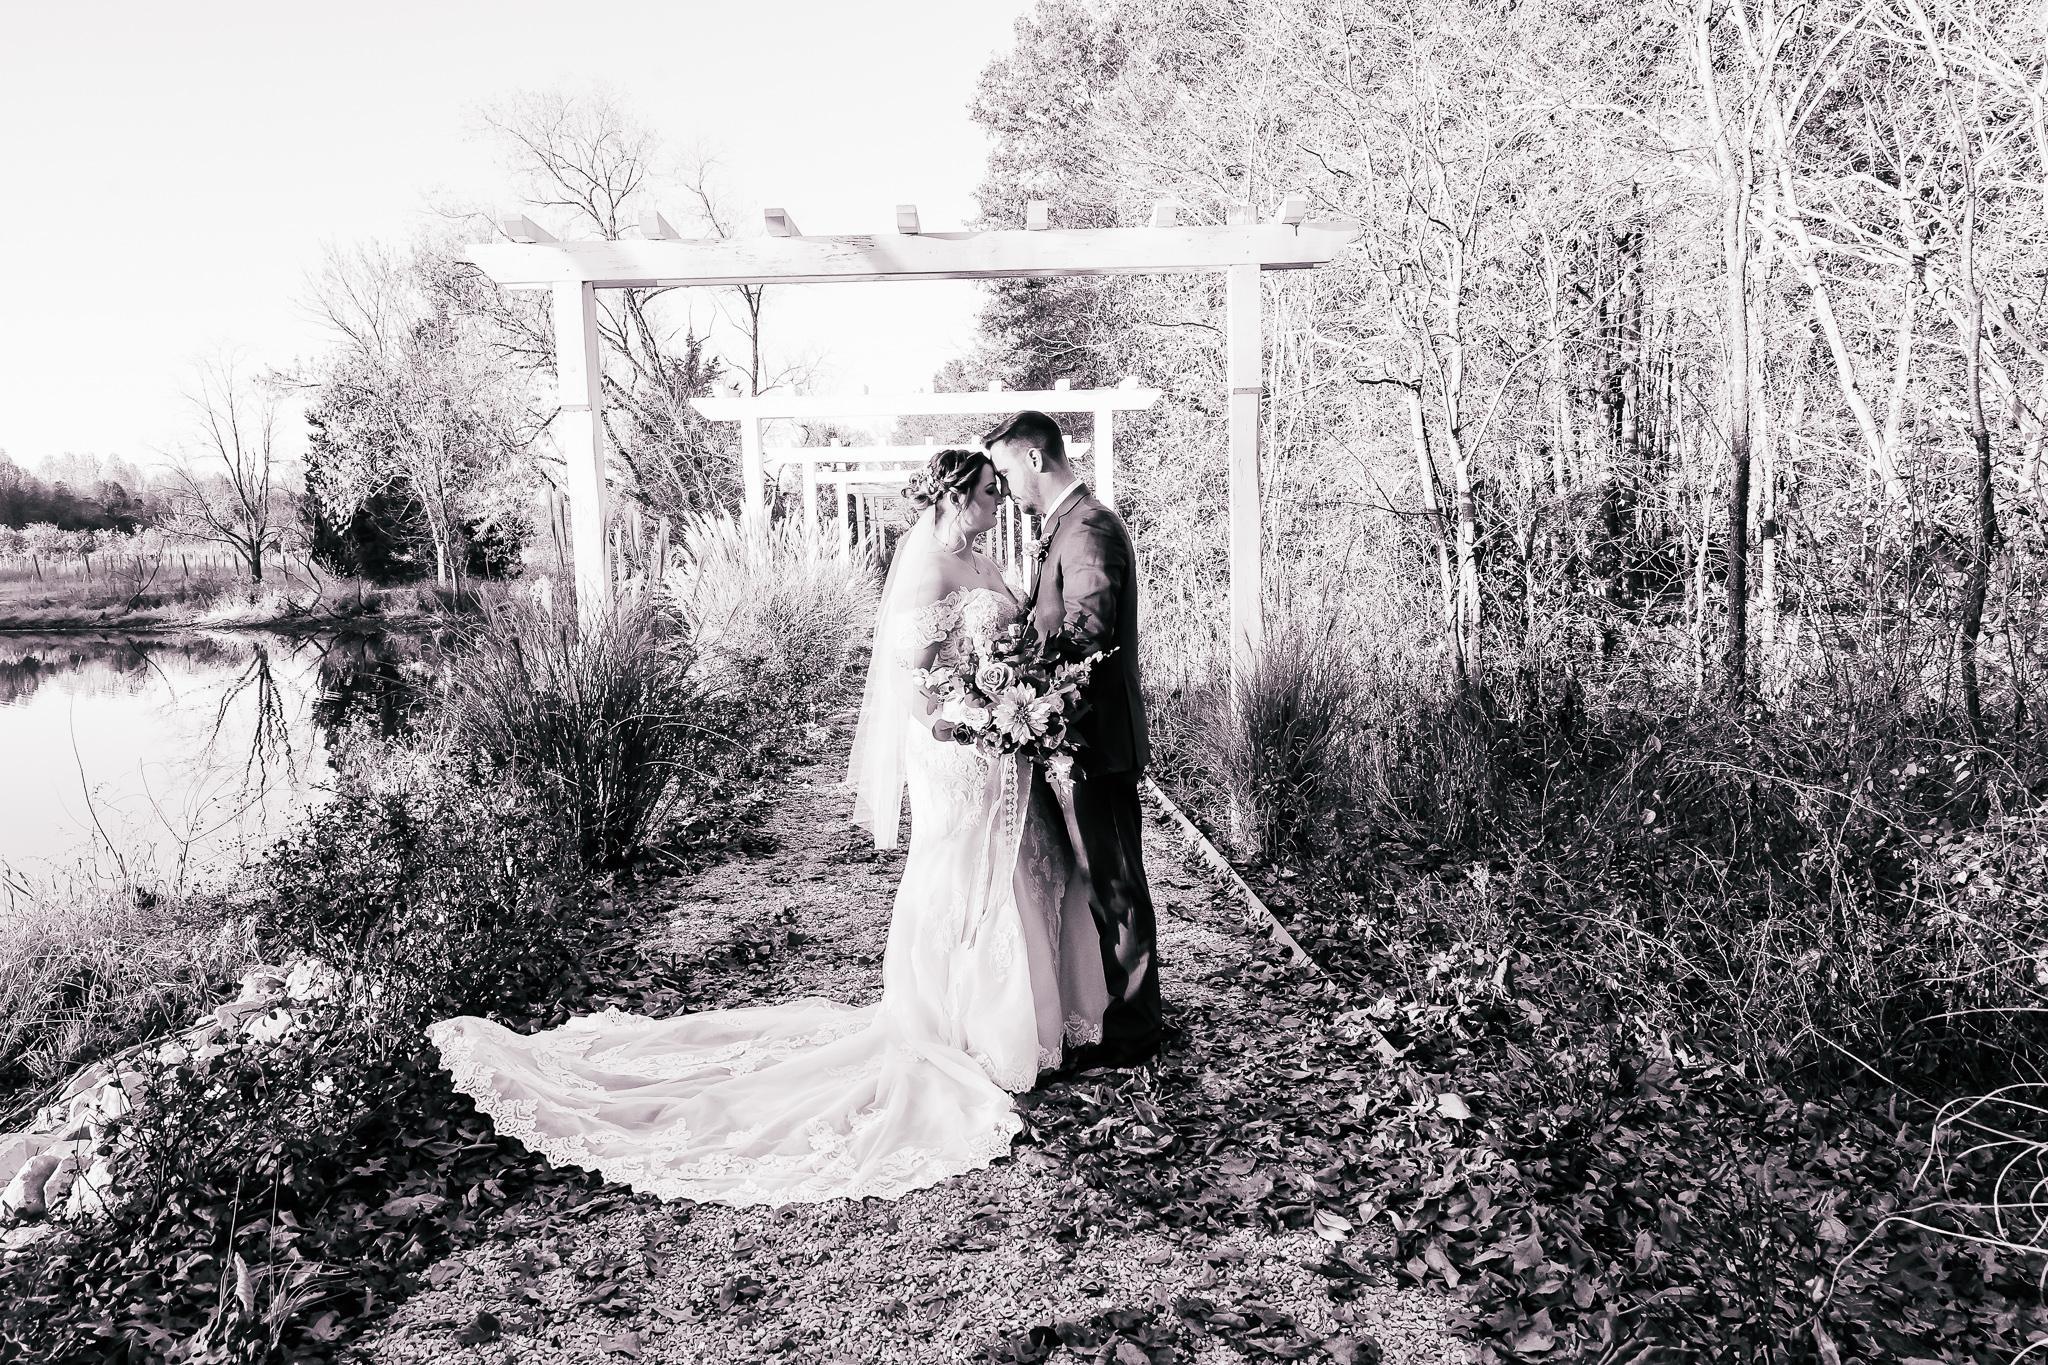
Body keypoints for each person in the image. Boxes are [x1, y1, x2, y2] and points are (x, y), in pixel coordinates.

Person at [426, 448, 1106, 1206]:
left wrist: (1012, 698)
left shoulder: (984, 559)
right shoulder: (926, 569)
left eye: (997, 490)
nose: (997, 501)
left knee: (1012, 865)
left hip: (996, 740)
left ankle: (1024, 1024)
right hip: (954, 746)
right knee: (956, 870)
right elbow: (909, 677)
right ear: (953, 496)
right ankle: (959, 1025)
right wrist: (961, 718)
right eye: (985, 491)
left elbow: (1004, 645)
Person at [984, 411, 1162, 1069]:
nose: (1007, 489)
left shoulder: (1088, 529)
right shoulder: (1065, 527)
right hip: (1072, 742)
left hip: (1094, 745)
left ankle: (1135, 1031)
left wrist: (1019, 690)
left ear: (1035, 459)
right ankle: (1112, 1014)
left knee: (1115, 887)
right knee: (1098, 884)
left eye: (1006, 472)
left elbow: (1088, 637)